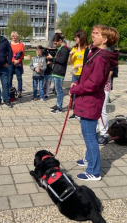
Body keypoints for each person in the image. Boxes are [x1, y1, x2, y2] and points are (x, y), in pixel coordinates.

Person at [69, 25, 119, 181]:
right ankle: (89, 159)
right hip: (88, 100)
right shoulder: (96, 53)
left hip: (90, 101)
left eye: (97, 34)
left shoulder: (101, 58)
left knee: (90, 136)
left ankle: (94, 171)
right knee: (88, 134)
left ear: (104, 39)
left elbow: (93, 83)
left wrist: (77, 89)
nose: (93, 36)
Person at [47, 34, 70, 114]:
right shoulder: (61, 48)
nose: (55, 45)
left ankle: (59, 107)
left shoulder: (65, 49)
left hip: (60, 72)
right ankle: (57, 104)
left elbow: (62, 60)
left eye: (56, 43)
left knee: (59, 91)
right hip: (57, 71)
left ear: (60, 41)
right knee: (57, 90)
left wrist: (52, 58)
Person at [68, 29, 88, 119]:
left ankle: (81, 111)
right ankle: (75, 112)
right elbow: (69, 63)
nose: (75, 38)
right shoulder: (74, 48)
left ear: (81, 37)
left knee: (82, 93)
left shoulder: (87, 49)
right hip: (75, 73)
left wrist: (82, 64)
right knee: (74, 92)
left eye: (76, 37)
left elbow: (90, 62)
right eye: (74, 37)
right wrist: (71, 55)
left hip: (83, 74)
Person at [8, 31, 25, 98]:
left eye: (15, 36)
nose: (14, 37)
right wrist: (13, 60)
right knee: (9, 77)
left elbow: (23, 54)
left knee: (19, 78)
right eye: (12, 36)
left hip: (18, 63)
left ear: (17, 36)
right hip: (11, 63)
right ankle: (10, 90)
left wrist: (18, 60)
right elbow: (8, 54)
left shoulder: (21, 45)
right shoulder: (9, 45)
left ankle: (19, 92)